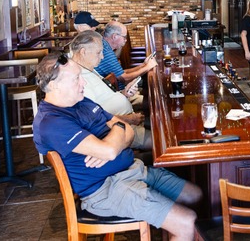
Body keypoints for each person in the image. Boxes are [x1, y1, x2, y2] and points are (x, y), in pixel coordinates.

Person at [33, 53, 201, 239]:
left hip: (134, 170)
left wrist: (115, 134)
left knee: (196, 195)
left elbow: (126, 131)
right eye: (76, 79)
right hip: (107, 189)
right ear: (54, 85)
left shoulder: (81, 102)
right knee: (187, 222)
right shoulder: (51, 122)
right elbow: (110, 149)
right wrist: (114, 139)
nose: (84, 83)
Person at [69, 30, 151, 150]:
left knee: (162, 123)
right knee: (162, 141)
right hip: (118, 128)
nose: (102, 57)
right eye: (99, 53)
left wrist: (124, 93)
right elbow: (94, 120)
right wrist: (129, 119)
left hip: (127, 118)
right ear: (83, 52)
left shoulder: (88, 67)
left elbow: (104, 95)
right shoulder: (79, 80)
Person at [95, 21, 155, 88]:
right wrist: (147, 67)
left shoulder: (105, 45)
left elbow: (121, 72)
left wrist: (144, 65)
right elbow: (124, 79)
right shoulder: (105, 51)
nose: (126, 40)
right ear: (114, 36)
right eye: (124, 37)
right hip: (118, 93)